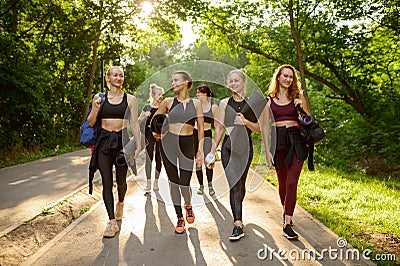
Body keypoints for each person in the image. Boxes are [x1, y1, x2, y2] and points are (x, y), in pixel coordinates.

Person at [88, 66, 141, 238]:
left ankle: (121, 203)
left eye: (121, 75)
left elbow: (134, 124)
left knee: (121, 181)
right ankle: (111, 222)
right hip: (103, 143)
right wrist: (95, 108)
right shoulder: (99, 98)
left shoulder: (131, 99)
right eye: (115, 75)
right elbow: (90, 122)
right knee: (107, 181)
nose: (118, 78)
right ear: (108, 78)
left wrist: (138, 144)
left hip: (122, 143)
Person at [208, 69, 260, 241]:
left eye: (236, 81)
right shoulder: (224, 103)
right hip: (228, 148)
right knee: (234, 184)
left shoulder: (252, 103)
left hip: (246, 149)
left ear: (244, 82)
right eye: (230, 81)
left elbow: (259, 129)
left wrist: (245, 122)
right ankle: (238, 224)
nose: (233, 84)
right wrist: (211, 151)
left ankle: (237, 208)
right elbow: (219, 129)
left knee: (241, 185)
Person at [152, 70, 204, 234]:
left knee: (184, 182)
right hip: (168, 144)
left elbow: (201, 128)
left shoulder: (196, 104)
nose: (172, 83)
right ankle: (179, 217)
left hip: (188, 143)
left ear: (186, 82)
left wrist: (200, 150)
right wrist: (157, 133)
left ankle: (188, 204)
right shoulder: (167, 101)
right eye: (172, 80)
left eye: (175, 80)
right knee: (173, 182)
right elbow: (154, 121)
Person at [260, 64, 309, 240]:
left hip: (296, 141)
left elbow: (308, 121)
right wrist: (267, 151)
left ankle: (287, 223)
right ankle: (286, 212)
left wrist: (300, 107)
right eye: (285, 76)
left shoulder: (297, 97)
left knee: (291, 182)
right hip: (278, 142)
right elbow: (264, 127)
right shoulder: (269, 100)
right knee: (282, 184)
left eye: (291, 77)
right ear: (278, 77)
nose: (288, 79)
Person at [138, 83, 164, 194]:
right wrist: (145, 116)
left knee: (159, 158)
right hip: (149, 133)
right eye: (159, 94)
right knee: (149, 157)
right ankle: (148, 183)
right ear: (153, 95)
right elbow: (138, 121)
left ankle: (156, 182)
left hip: (160, 134)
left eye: (162, 94)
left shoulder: (164, 107)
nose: (161, 96)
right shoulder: (147, 107)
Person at [193, 84, 218, 196]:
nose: (197, 95)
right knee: (198, 160)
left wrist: (215, 144)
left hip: (207, 135)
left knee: (208, 160)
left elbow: (218, 127)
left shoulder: (213, 107)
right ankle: (201, 186)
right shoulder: (194, 105)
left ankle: (210, 186)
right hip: (195, 134)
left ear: (206, 94)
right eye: (197, 93)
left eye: (199, 92)